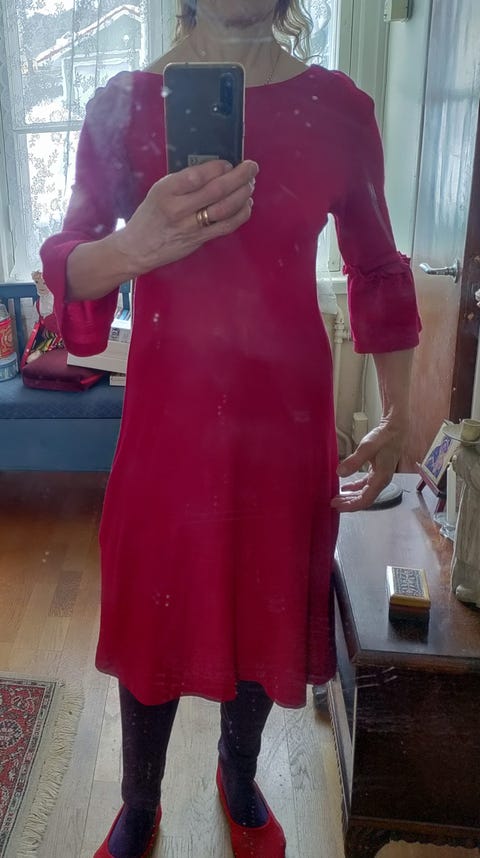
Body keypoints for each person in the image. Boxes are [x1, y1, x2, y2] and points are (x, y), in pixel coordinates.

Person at [40, 2, 421, 856]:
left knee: (263, 605)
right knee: (152, 616)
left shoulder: (339, 110)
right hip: (167, 432)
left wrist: (399, 416)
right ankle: (140, 803)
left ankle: (238, 772)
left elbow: (378, 269)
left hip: (284, 433)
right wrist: (136, 245)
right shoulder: (120, 107)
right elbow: (70, 264)